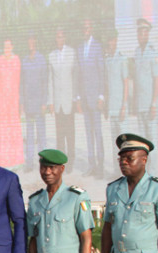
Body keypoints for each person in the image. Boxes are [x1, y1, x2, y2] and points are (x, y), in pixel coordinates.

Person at [76, 19, 105, 176]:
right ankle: (91, 164)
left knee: (98, 132)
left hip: (95, 97)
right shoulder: (80, 48)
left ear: (91, 28)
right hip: (85, 98)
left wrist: (101, 96)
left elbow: (102, 73)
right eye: (83, 28)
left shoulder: (98, 47)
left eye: (87, 28)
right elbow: (79, 75)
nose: (85, 30)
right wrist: (79, 97)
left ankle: (100, 166)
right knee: (88, 133)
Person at [48, 28, 77, 163]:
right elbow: (50, 79)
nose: (59, 40)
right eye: (57, 37)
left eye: (61, 37)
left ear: (64, 38)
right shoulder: (51, 55)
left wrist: (76, 98)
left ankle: (71, 161)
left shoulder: (71, 53)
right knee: (59, 135)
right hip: (58, 101)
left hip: (68, 100)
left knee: (70, 134)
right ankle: (61, 161)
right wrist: (51, 101)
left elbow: (75, 77)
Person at [20, 33, 48, 171]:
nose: (30, 43)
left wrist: (44, 102)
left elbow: (45, 82)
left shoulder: (41, 59)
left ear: (36, 42)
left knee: (41, 134)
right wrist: (22, 102)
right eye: (28, 41)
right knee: (30, 134)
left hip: (39, 104)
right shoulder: (24, 60)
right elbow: (22, 83)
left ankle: (43, 162)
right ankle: (29, 162)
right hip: (29, 105)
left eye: (32, 41)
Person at [0, 39, 24, 167]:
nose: (7, 48)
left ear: (12, 47)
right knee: (4, 131)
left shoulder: (16, 60)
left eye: (8, 46)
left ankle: (16, 160)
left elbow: (19, 82)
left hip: (13, 101)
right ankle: (5, 161)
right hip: (3, 101)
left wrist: (20, 103)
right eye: (4, 46)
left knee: (14, 130)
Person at [104, 30, 129, 172]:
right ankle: (116, 171)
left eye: (112, 40)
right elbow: (107, 85)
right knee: (114, 141)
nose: (110, 43)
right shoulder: (108, 59)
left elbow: (126, 83)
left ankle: (127, 173)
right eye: (108, 40)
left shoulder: (122, 59)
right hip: (112, 107)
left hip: (121, 106)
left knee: (124, 143)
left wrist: (124, 106)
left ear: (116, 41)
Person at [133, 18, 158, 141]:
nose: (141, 35)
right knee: (142, 140)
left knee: (151, 139)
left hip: (150, 104)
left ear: (148, 33)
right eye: (139, 32)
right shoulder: (137, 52)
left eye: (144, 32)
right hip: (140, 103)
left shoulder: (153, 52)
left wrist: (154, 104)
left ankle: (153, 162)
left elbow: (156, 80)